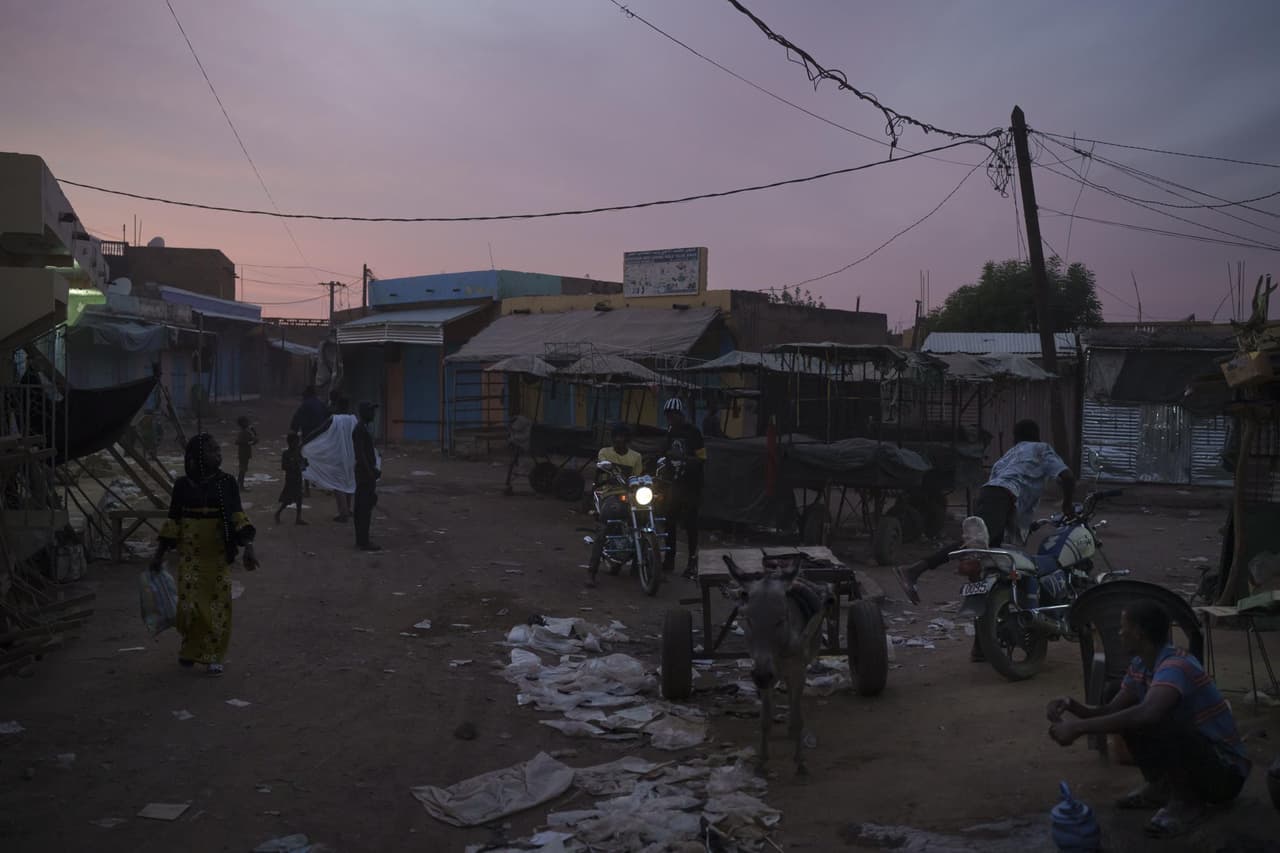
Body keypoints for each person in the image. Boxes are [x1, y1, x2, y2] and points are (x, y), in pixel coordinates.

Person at [1047, 601, 1250, 838]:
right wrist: (1072, 706)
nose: (1119, 633)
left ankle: (1187, 803)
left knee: (1160, 715)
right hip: (1202, 762)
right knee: (1115, 694)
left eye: (1123, 628)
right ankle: (1161, 787)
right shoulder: (1142, 664)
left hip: (1225, 775)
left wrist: (1078, 728)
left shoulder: (1176, 666)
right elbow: (1111, 711)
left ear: (1139, 633)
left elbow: (1149, 713)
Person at [893, 419, 1074, 661]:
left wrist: (1020, 525)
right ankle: (915, 570)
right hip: (1002, 498)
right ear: (1037, 435)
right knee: (976, 549)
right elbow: (1067, 477)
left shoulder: (1008, 456)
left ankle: (980, 646)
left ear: (1015, 438)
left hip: (991, 496)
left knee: (987, 566)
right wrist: (1068, 504)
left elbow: (1004, 489)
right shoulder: (1041, 449)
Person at [150, 434, 257, 677]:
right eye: (212, 451)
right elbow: (174, 521)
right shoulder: (182, 485)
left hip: (216, 557)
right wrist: (159, 555)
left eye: (218, 450)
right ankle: (190, 649)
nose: (218, 455)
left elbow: (237, 515)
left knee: (216, 608)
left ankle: (214, 655)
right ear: (197, 456)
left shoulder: (227, 482)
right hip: (190, 557)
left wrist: (248, 546)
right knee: (189, 608)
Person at [586, 422, 644, 586]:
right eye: (616, 437)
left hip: (630, 495)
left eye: (622, 437)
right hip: (610, 494)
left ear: (627, 439)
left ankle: (644, 566)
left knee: (645, 523)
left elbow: (637, 477)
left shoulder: (636, 457)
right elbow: (602, 468)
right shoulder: (605, 453)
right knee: (603, 528)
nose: (619, 440)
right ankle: (591, 572)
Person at [660, 398, 706, 579]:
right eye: (668, 416)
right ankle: (669, 560)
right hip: (674, 485)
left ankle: (692, 563)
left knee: (691, 526)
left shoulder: (694, 432)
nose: (670, 419)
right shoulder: (670, 432)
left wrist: (683, 458)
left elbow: (702, 459)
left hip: (692, 485)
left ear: (680, 414)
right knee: (669, 522)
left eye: (672, 415)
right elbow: (666, 454)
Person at [301, 397, 358, 523]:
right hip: (351, 456)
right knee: (349, 481)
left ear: (338, 406)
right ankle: (348, 509)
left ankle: (343, 513)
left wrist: (304, 442)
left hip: (337, 457)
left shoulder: (334, 419)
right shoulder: (354, 419)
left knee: (338, 484)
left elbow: (319, 431)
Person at [352, 401, 382, 551]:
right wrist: (370, 472)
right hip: (364, 475)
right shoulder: (360, 429)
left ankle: (362, 539)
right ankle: (363, 541)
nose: (373, 414)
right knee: (363, 508)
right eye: (371, 411)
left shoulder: (363, 428)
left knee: (364, 507)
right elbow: (360, 454)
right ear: (364, 412)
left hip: (366, 473)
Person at [274, 433, 308, 525]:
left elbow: (302, 466)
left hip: (297, 478)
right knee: (288, 499)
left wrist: (304, 463)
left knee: (299, 498)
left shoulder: (297, 453)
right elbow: (284, 466)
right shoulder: (286, 453)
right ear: (290, 443)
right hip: (291, 479)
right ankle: (278, 513)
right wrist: (294, 465)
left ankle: (298, 518)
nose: (297, 444)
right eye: (295, 442)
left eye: (297, 442)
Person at [505, 411, 533, 497]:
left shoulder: (520, 422)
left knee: (514, 462)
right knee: (513, 462)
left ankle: (508, 482)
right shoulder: (521, 422)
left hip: (523, 444)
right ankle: (508, 481)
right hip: (521, 444)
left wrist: (512, 437)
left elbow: (517, 432)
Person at [234, 415, 258, 490]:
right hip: (244, 453)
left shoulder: (244, 432)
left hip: (243, 453)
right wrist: (249, 442)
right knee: (243, 469)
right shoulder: (244, 433)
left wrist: (250, 441)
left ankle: (239, 484)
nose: (248, 423)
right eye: (246, 422)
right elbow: (238, 442)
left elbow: (253, 440)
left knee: (243, 469)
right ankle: (240, 486)